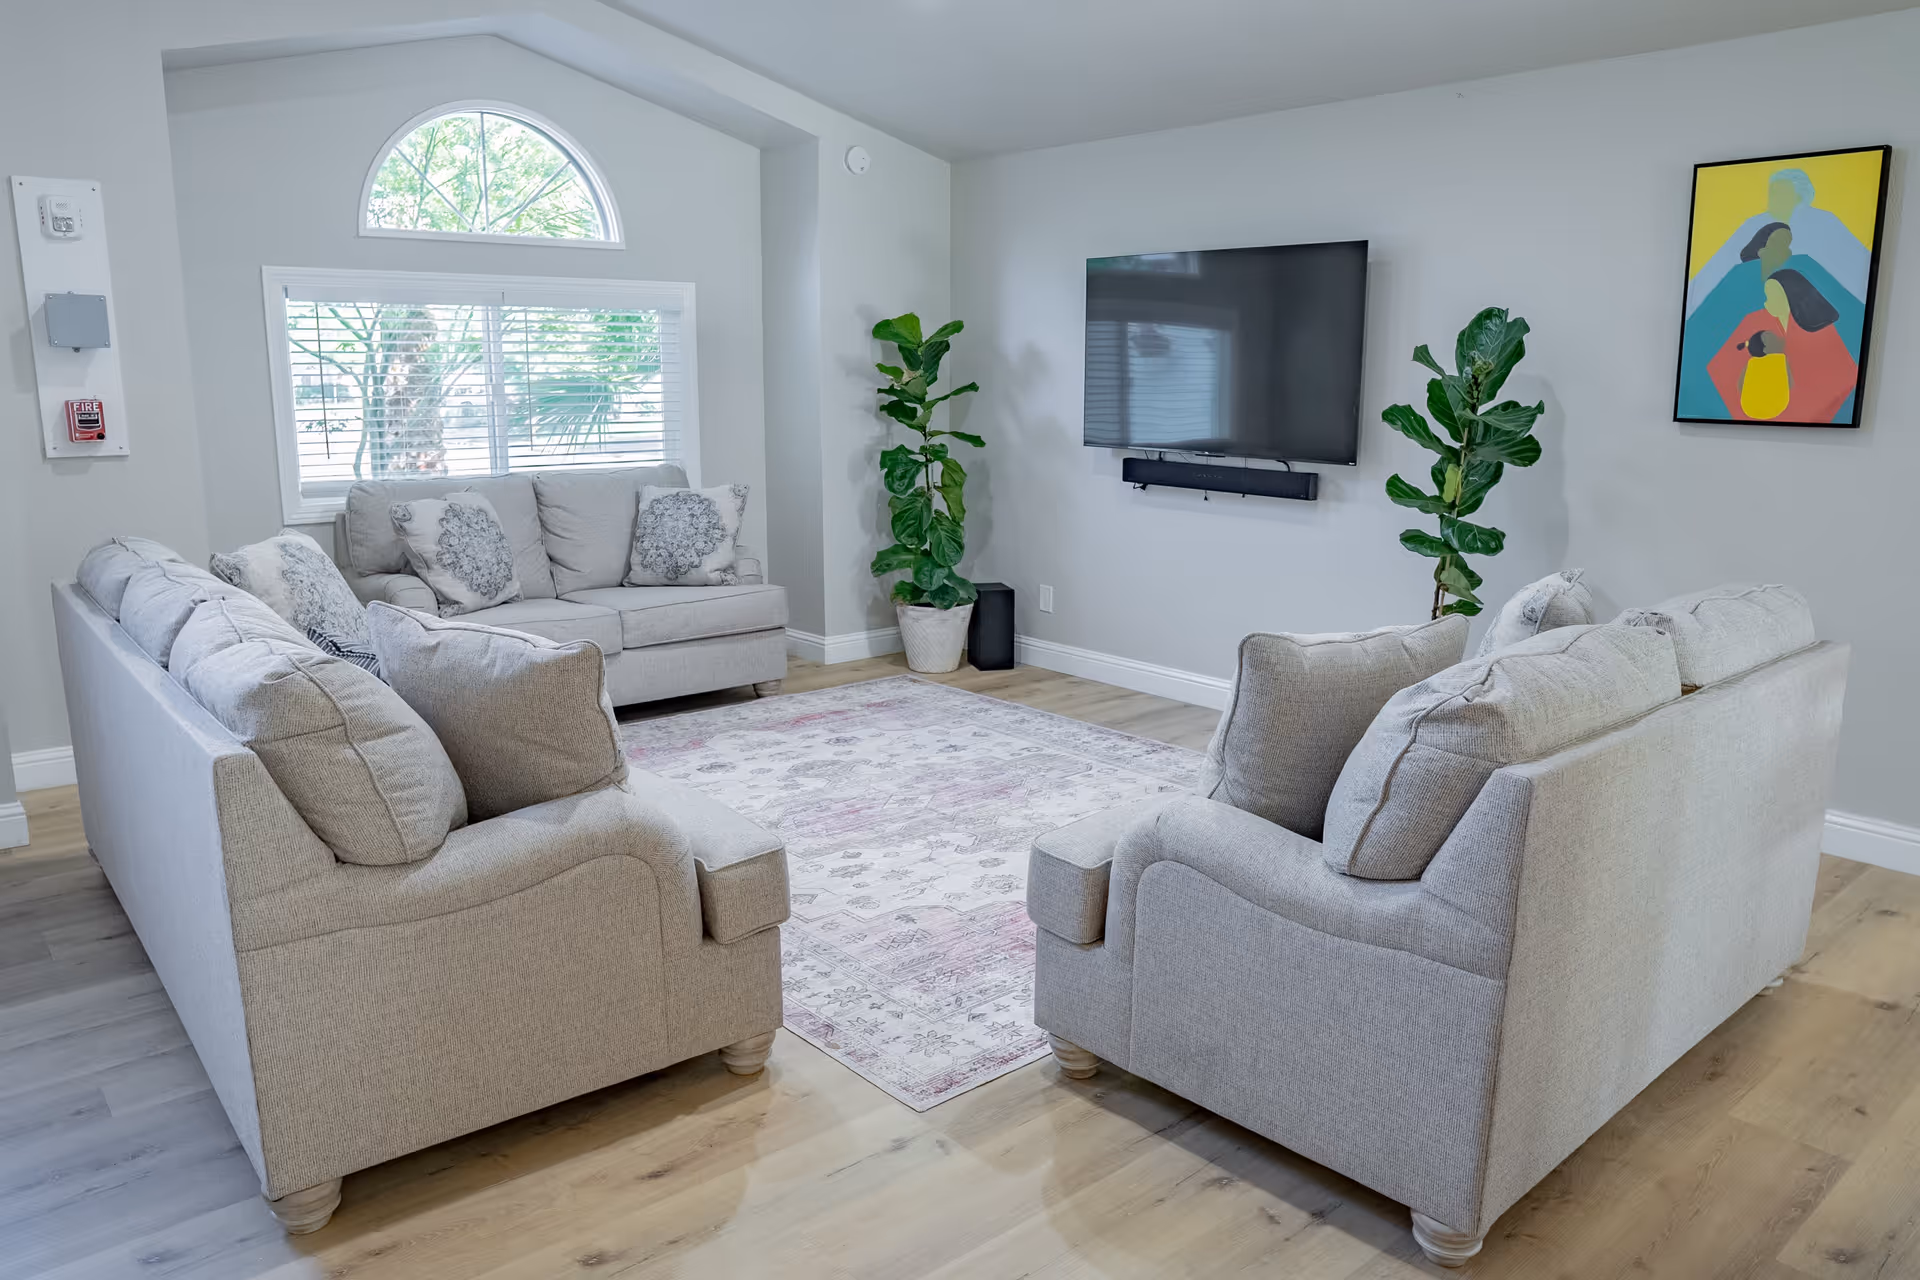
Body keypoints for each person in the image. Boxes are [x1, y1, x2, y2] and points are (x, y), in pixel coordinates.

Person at [1685, 168, 1871, 316]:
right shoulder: (1754, 224)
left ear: (1799, 195)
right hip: (1759, 299)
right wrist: (1691, 305)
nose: (1773, 200)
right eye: (1771, 194)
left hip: (1814, 304)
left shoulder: (1824, 222)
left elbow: (1858, 264)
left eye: (1780, 193)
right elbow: (1718, 266)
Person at [1705, 272, 1856, 423]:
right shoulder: (1756, 320)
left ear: (1790, 298)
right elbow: (1722, 367)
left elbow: (1842, 377)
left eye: (1770, 297)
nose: (1766, 302)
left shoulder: (1820, 331)